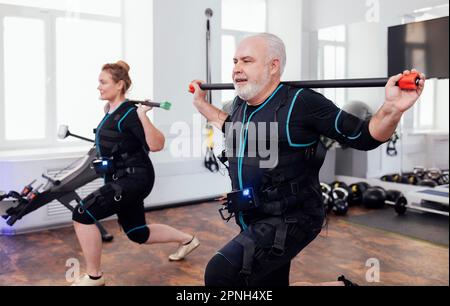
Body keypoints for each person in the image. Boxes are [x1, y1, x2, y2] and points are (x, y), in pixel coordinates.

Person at [189, 33, 425, 286]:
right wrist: (202, 105)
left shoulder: (302, 103)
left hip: (292, 218)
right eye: (235, 61)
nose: (236, 68)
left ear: (273, 65)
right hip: (254, 215)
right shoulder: (240, 104)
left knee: (221, 273)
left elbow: (364, 136)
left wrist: (393, 108)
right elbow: (236, 129)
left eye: (246, 61)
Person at [71, 61, 200, 286]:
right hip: (120, 178)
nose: (98, 87)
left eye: (103, 82)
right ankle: (188, 240)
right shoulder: (111, 111)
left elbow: (157, 144)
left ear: (120, 85)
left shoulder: (131, 113)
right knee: (137, 232)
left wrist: (143, 116)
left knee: (82, 215)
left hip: (134, 179)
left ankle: (95, 276)